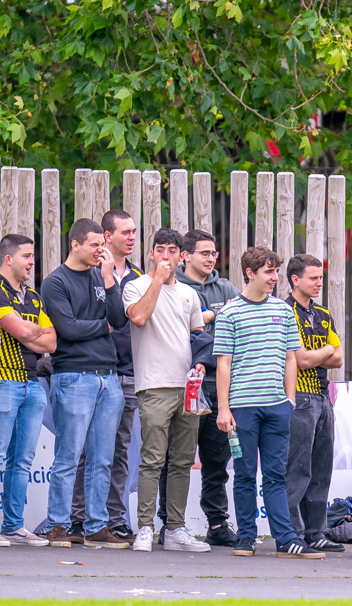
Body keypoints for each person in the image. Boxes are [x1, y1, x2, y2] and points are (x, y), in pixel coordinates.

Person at [216, 247, 318, 558]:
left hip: (277, 407)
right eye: (268, 272)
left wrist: (289, 399)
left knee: (276, 474)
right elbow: (224, 363)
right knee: (245, 473)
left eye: (276, 271)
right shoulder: (230, 313)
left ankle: (285, 539)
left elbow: (291, 358)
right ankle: (245, 536)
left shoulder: (284, 312)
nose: (275, 278)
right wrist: (223, 408)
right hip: (243, 408)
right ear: (250, 273)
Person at [40, 219, 129, 548]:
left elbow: (119, 321)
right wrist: (101, 325)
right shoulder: (55, 282)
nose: (100, 251)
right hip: (74, 375)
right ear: (74, 244)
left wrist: (109, 282)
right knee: (68, 456)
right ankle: (58, 525)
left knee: (102, 458)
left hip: (108, 376)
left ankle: (96, 526)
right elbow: (69, 329)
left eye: (101, 245)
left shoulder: (101, 276)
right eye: (94, 245)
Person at [124, 229, 211, 553]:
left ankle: (174, 528)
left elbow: (199, 336)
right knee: (152, 460)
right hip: (154, 385)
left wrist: (202, 363)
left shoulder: (189, 294)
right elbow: (140, 317)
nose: (165, 257)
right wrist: (158, 281)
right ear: (151, 254)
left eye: (171, 251)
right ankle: (144, 528)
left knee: (182, 461)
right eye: (159, 250)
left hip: (187, 387)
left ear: (181, 256)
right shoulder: (136, 286)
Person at [0, 234, 56, 546]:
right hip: (1, 380)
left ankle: (13, 525)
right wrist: (30, 332)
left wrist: (26, 332)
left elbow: (53, 341)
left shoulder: (33, 296)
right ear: (8, 259)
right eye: (26, 256)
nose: (32, 262)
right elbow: (25, 331)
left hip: (33, 383)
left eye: (32, 256)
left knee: (23, 460)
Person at [175, 229, 239, 545]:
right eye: (204, 252)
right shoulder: (174, 286)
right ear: (185, 256)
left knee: (217, 463)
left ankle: (217, 525)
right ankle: (171, 523)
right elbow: (180, 326)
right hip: (184, 384)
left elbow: (242, 316)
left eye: (213, 253)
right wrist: (215, 312)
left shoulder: (225, 286)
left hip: (220, 386)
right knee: (177, 460)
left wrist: (209, 316)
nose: (211, 258)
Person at [284, 253, 342, 553]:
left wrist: (319, 353)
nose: (320, 283)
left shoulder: (323, 314)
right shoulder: (285, 311)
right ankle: (291, 533)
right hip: (299, 398)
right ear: (295, 280)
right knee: (297, 469)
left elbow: (340, 357)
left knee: (321, 469)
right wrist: (326, 350)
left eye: (321, 277)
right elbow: (302, 359)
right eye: (313, 278)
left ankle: (316, 532)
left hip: (323, 396)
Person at [99, 210, 143, 541]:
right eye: (125, 232)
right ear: (107, 236)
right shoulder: (89, 273)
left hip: (128, 374)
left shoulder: (141, 280)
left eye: (134, 232)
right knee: (88, 452)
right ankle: (82, 518)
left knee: (120, 452)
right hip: (96, 372)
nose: (131, 237)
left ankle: (115, 519)